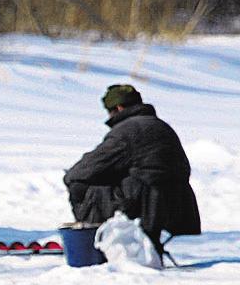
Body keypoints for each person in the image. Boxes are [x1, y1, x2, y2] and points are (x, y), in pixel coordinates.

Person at [64, 84, 201, 251]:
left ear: (118, 108)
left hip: (145, 209)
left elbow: (84, 170)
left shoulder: (127, 131)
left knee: (80, 183)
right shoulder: (161, 126)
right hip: (179, 208)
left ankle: (94, 243)